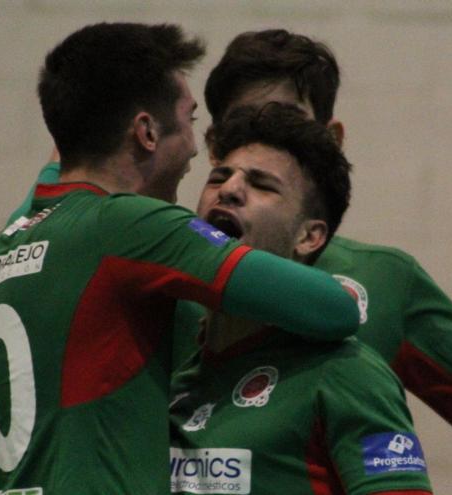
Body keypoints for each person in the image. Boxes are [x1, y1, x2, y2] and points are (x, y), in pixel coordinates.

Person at [0, 23, 361, 495]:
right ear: (145, 131)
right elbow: (333, 309)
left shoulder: (10, 240)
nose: (197, 147)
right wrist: (354, 294)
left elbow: (22, 415)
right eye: (190, 121)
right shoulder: (128, 227)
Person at [196, 29, 452, 472]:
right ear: (215, 145)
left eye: (287, 122)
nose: (264, 143)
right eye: (245, 125)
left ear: (331, 138)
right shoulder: (157, 267)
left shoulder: (387, 280)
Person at [170, 102, 433, 495]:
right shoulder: (174, 379)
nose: (228, 189)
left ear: (309, 236)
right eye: (219, 176)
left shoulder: (346, 373)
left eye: (261, 185)